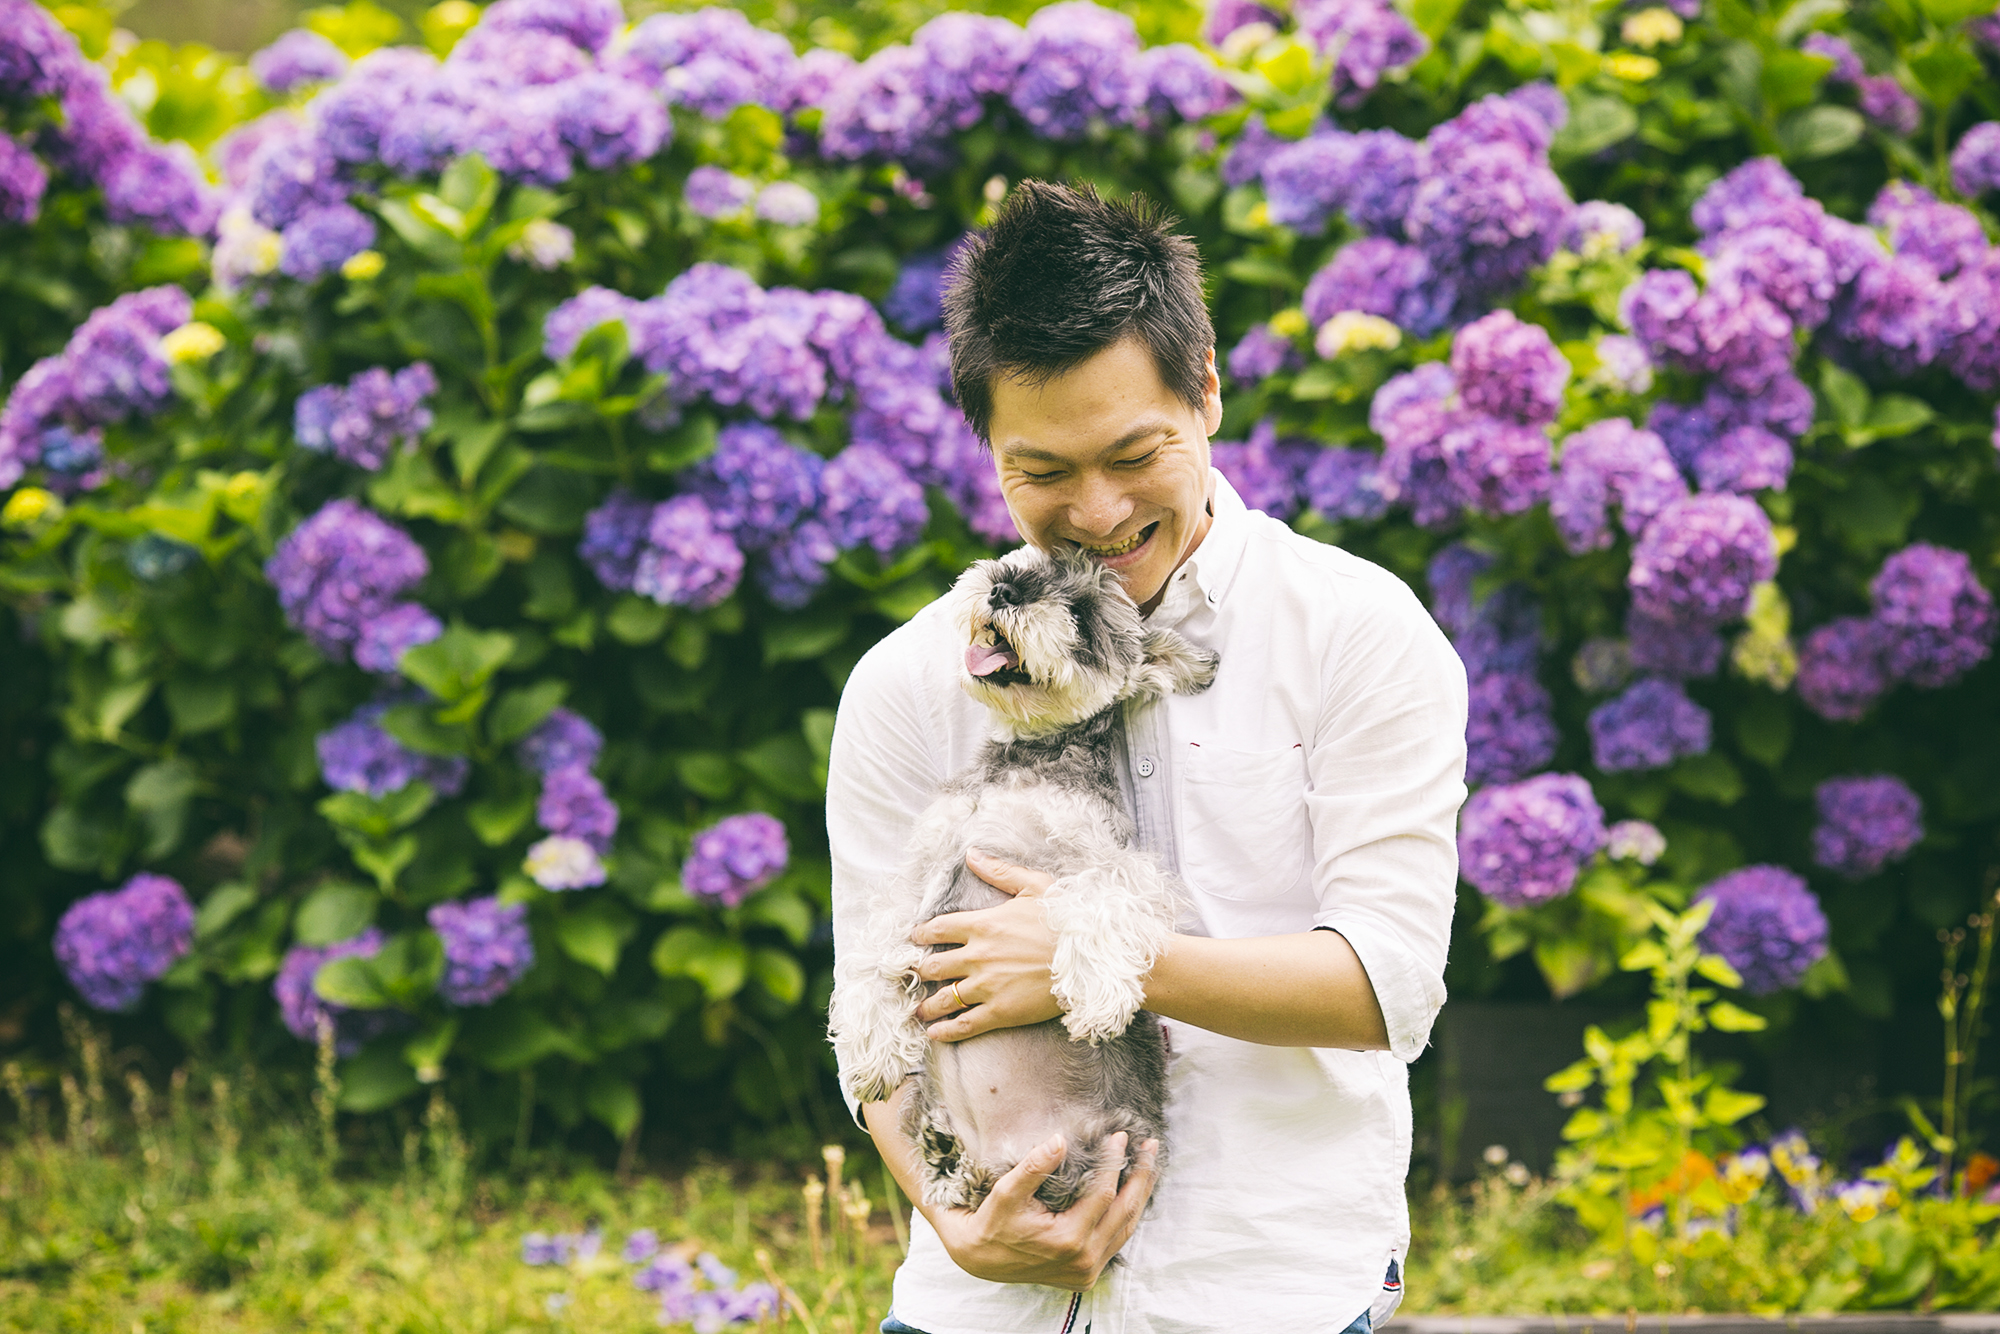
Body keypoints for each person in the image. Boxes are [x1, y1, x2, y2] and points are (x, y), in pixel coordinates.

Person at [826, 180, 1467, 1334]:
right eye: (1043, 471)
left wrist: (1090, 953)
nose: (1098, 508)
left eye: (1134, 452)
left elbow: (1388, 984)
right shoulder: (909, 683)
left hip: (1264, 1286)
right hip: (975, 1303)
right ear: (986, 446)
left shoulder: (1355, 631)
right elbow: (871, 1015)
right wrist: (958, 1224)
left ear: (1206, 387)